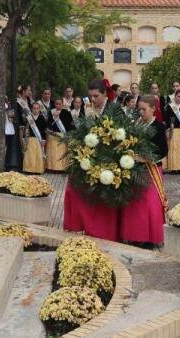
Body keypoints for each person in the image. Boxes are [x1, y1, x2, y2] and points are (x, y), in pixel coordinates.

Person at [63, 79, 124, 241]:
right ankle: (82, 225)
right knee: (74, 188)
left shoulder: (115, 108)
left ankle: (105, 231)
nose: (92, 100)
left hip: (109, 158)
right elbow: (80, 132)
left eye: (96, 96)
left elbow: (122, 132)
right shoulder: (87, 108)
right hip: (90, 157)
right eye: (90, 96)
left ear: (105, 94)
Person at [121, 95, 169, 246]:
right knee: (136, 204)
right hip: (136, 169)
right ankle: (135, 235)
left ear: (153, 109)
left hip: (152, 169)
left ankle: (150, 238)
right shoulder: (137, 125)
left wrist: (146, 158)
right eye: (139, 109)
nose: (141, 112)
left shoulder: (159, 127)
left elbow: (163, 151)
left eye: (144, 109)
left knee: (150, 204)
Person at [46, 98, 74, 171]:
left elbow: (70, 124)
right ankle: (53, 167)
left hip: (63, 135)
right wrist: (54, 118)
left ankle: (63, 168)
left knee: (62, 153)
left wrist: (69, 134)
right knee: (54, 153)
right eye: (56, 104)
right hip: (53, 135)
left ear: (62, 104)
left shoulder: (66, 112)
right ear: (54, 104)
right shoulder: (51, 112)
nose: (58, 105)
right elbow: (48, 124)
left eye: (59, 104)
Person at [22, 100, 47, 174]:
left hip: (39, 140)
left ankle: (38, 170)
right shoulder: (28, 118)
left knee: (38, 155)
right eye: (34, 108)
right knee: (30, 155)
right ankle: (29, 169)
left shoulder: (42, 118)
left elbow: (43, 130)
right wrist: (23, 138)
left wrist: (44, 139)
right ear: (31, 109)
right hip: (30, 140)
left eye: (37, 108)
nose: (35, 110)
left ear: (39, 109)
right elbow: (26, 129)